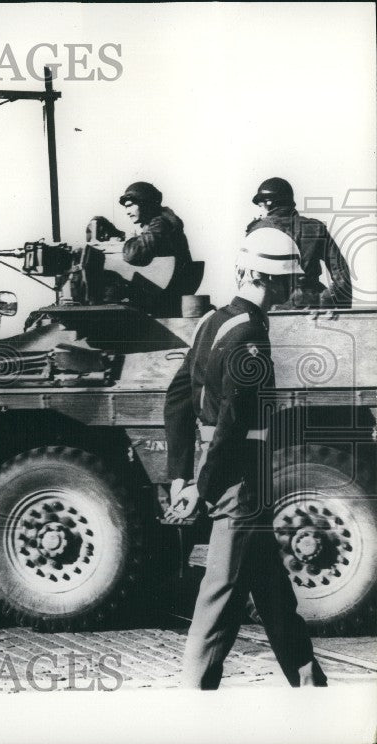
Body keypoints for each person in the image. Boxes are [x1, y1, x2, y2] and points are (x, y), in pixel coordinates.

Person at [163, 227, 327, 690]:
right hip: (239, 481)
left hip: (225, 472)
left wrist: (180, 476)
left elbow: (176, 399)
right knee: (220, 595)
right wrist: (203, 488)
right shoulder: (250, 334)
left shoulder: (210, 322)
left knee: (273, 593)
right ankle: (193, 695)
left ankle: (310, 686)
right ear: (263, 277)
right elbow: (234, 424)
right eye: (284, 279)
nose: (289, 286)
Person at [246, 177, 353, 308]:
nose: (260, 208)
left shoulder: (257, 230)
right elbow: (341, 272)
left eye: (261, 204)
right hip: (313, 306)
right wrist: (331, 303)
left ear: (269, 202)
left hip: (274, 308)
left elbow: (249, 278)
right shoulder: (315, 227)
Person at [115, 181, 194, 316]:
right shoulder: (161, 222)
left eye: (130, 205)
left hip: (167, 301)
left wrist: (129, 240)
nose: (127, 212)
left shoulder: (161, 223)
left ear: (145, 203)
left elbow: (133, 254)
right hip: (167, 297)